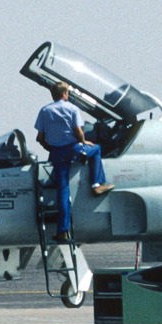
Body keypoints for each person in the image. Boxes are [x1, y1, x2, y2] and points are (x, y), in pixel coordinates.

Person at [34, 82, 113, 242]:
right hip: (73, 149)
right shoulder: (72, 109)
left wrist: (49, 148)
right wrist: (84, 142)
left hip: (57, 153)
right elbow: (78, 131)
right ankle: (96, 185)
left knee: (63, 190)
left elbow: (40, 138)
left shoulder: (44, 111)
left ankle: (62, 231)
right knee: (96, 149)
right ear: (64, 94)